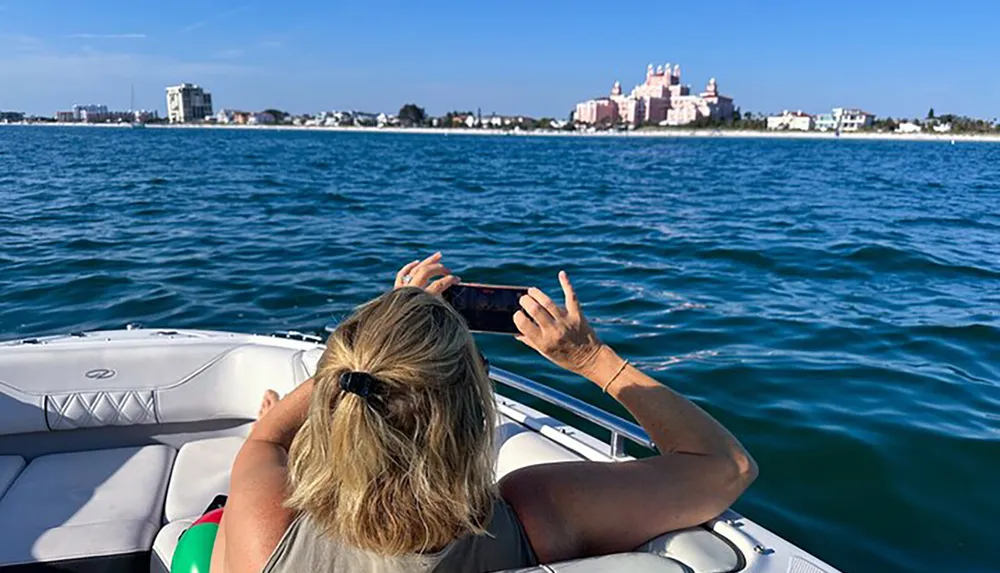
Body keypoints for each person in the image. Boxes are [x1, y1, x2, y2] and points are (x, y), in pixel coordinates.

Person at [210, 253, 757, 573]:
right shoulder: (535, 512)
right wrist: (593, 359)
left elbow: (267, 440)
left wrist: (390, 331)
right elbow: (727, 466)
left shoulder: (264, 518)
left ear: (335, 397)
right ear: (473, 412)